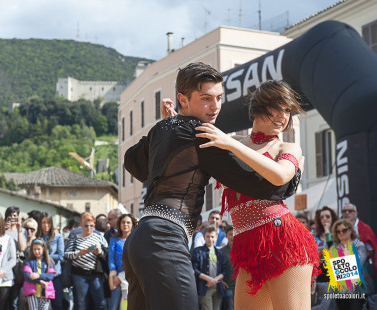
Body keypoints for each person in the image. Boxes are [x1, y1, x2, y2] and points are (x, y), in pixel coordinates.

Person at [123, 63, 301, 310]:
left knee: (349, 294)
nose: (215, 106)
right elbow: (259, 182)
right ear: (183, 100)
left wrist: (171, 129)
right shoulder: (211, 137)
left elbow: (133, 161)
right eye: (206, 99)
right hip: (177, 238)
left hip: (279, 237)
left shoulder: (214, 137)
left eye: (219, 98)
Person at [194, 79, 321, 308]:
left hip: (283, 241)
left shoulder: (286, 148)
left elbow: (281, 176)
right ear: (258, 107)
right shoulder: (230, 143)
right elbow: (191, 143)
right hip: (246, 246)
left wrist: (231, 145)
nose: (282, 116)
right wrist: (176, 114)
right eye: (276, 107)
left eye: (287, 110)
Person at [64, 212, 108, 310]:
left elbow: (107, 255)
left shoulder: (99, 237)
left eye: (91, 226)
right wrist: (78, 253)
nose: (89, 228)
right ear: (81, 225)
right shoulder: (74, 238)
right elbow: (66, 255)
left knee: (100, 303)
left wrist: (99, 252)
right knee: (81, 304)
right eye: (86, 226)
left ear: (94, 225)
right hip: (79, 275)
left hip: (95, 274)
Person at [330, 219, 368, 309]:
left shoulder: (359, 245)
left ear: (350, 230)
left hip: (356, 290)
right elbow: (332, 267)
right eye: (338, 231)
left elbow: (356, 265)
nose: (341, 233)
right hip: (339, 291)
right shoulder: (333, 247)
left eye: (344, 230)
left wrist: (339, 263)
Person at [191, 225, 228, 310]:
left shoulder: (219, 253)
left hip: (218, 287)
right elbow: (194, 268)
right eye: (208, 236)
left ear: (216, 237)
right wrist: (209, 279)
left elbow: (225, 270)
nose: (210, 239)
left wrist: (215, 280)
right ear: (204, 237)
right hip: (205, 286)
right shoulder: (198, 251)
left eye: (212, 237)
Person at [108, 214, 137, 310]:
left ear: (132, 224)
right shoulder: (114, 240)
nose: (125, 224)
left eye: (128, 222)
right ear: (119, 225)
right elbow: (111, 259)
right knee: (114, 306)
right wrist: (114, 273)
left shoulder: (135, 240)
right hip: (116, 278)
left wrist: (122, 276)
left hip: (132, 278)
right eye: (123, 222)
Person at [36, 213, 63, 310]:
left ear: (51, 224)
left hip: (55, 275)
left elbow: (60, 256)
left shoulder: (58, 237)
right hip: (41, 275)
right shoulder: (37, 238)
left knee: (57, 304)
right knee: (42, 305)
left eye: (48, 222)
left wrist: (44, 256)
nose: (46, 225)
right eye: (43, 222)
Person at [22, 239, 56, 310]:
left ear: (43, 249)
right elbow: (26, 276)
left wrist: (38, 276)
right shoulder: (29, 261)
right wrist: (39, 281)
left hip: (45, 292)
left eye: (38, 249)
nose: (36, 251)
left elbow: (50, 276)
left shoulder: (48, 261)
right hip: (32, 292)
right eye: (34, 249)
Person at [5, 206, 27, 310]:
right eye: (10, 216)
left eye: (15, 216)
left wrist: (19, 230)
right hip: (5, 265)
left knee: (14, 301)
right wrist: (3, 229)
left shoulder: (23, 231)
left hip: (17, 266)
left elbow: (22, 248)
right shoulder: (2, 230)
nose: (12, 218)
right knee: (3, 300)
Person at [220, 226, 235, 310]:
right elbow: (217, 268)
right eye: (230, 234)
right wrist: (221, 281)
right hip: (228, 287)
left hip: (241, 287)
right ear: (226, 236)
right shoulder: (221, 251)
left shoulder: (243, 250)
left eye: (235, 234)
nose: (233, 236)